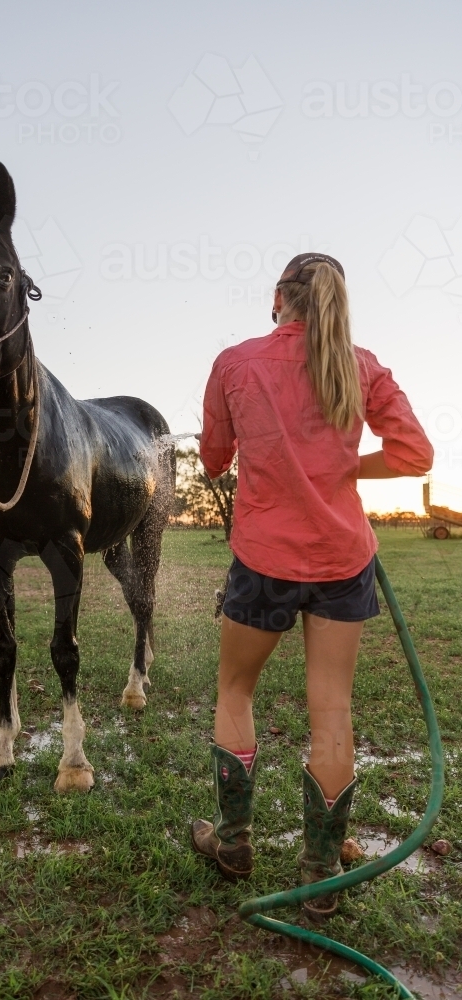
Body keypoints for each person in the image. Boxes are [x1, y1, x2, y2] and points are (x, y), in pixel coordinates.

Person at [191, 253, 433, 922]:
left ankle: (232, 843)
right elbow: (415, 454)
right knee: (331, 710)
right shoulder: (362, 366)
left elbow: (213, 460)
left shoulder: (234, 363)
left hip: (264, 557)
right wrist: (344, 468)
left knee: (235, 689)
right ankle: (319, 870)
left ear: (278, 298)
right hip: (341, 559)